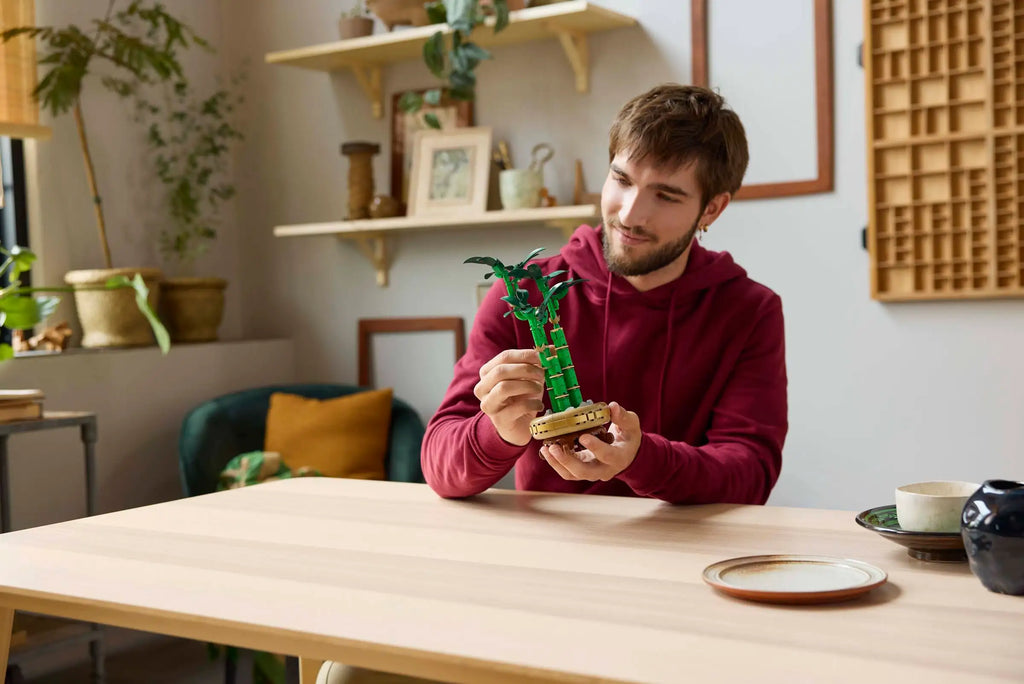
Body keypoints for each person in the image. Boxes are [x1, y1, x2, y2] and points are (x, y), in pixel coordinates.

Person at [421, 83, 788, 504]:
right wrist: (497, 431)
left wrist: (643, 460)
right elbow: (439, 467)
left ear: (711, 208)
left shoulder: (749, 310)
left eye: (665, 196)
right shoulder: (524, 295)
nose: (630, 214)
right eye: (622, 180)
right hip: (551, 539)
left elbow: (751, 472)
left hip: (679, 539)